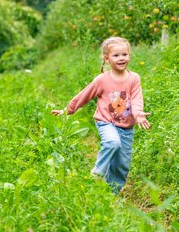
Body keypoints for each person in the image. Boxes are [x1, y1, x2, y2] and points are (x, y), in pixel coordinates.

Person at [51, 37, 150, 194]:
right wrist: (67, 110)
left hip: (126, 127)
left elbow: (137, 99)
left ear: (129, 55)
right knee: (112, 142)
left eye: (125, 54)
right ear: (106, 58)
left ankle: (108, 195)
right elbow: (84, 95)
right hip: (106, 122)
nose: (121, 58)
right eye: (116, 55)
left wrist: (138, 115)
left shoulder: (134, 78)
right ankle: (97, 173)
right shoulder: (102, 80)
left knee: (121, 165)